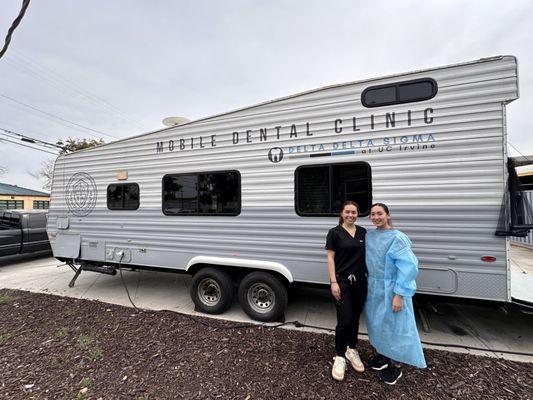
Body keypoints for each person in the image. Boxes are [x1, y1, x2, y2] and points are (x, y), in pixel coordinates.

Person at [364, 203, 426, 385]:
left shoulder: (398, 238)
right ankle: (383, 355)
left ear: (388, 215)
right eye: (373, 214)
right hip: (373, 288)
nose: (376, 217)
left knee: (395, 326)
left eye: (379, 214)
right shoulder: (371, 236)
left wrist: (400, 294)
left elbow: (409, 267)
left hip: (392, 289)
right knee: (378, 324)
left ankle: (396, 365)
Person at [325, 201, 367, 381]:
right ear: (342, 213)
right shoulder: (334, 233)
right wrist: (333, 282)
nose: (351, 215)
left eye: (354, 212)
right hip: (342, 281)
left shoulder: (363, 232)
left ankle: (352, 349)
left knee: (355, 318)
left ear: (357, 214)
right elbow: (330, 258)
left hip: (360, 281)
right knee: (345, 319)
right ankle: (340, 355)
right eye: (347, 212)